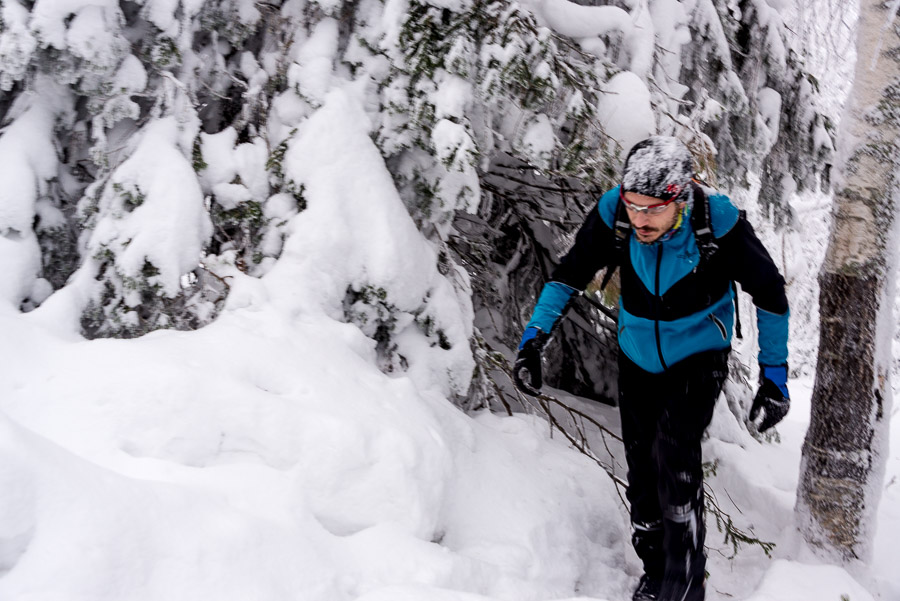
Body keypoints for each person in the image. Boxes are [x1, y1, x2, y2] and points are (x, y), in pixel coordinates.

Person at [512, 136, 790, 601]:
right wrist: (533, 339)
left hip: (699, 354)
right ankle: (656, 569)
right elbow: (569, 274)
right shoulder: (614, 213)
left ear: (680, 198)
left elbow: (771, 293)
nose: (640, 218)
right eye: (633, 205)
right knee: (642, 469)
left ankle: (683, 583)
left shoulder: (716, 222)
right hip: (637, 353)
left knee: (674, 454)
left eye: (652, 209)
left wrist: (774, 376)